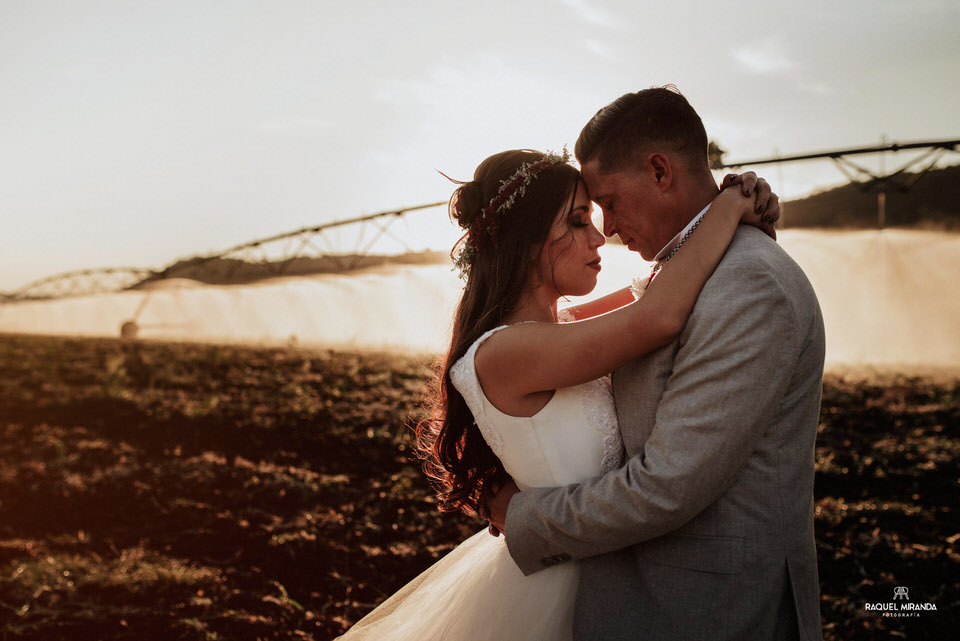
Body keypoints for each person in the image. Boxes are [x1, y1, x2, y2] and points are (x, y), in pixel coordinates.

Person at [335, 140, 779, 640]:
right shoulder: (507, 353)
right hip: (559, 589)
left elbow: (653, 288)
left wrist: (731, 217)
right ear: (525, 239)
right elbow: (658, 316)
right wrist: (729, 207)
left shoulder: (555, 328)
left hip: (602, 568)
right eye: (577, 221)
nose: (598, 238)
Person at [486, 87, 825, 641]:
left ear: (661, 171)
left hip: (717, 612)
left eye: (610, 202)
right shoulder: (685, 272)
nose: (609, 229)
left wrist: (523, 516)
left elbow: (668, 486)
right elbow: (631, 314)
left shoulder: (748, 286)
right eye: (587, 216)